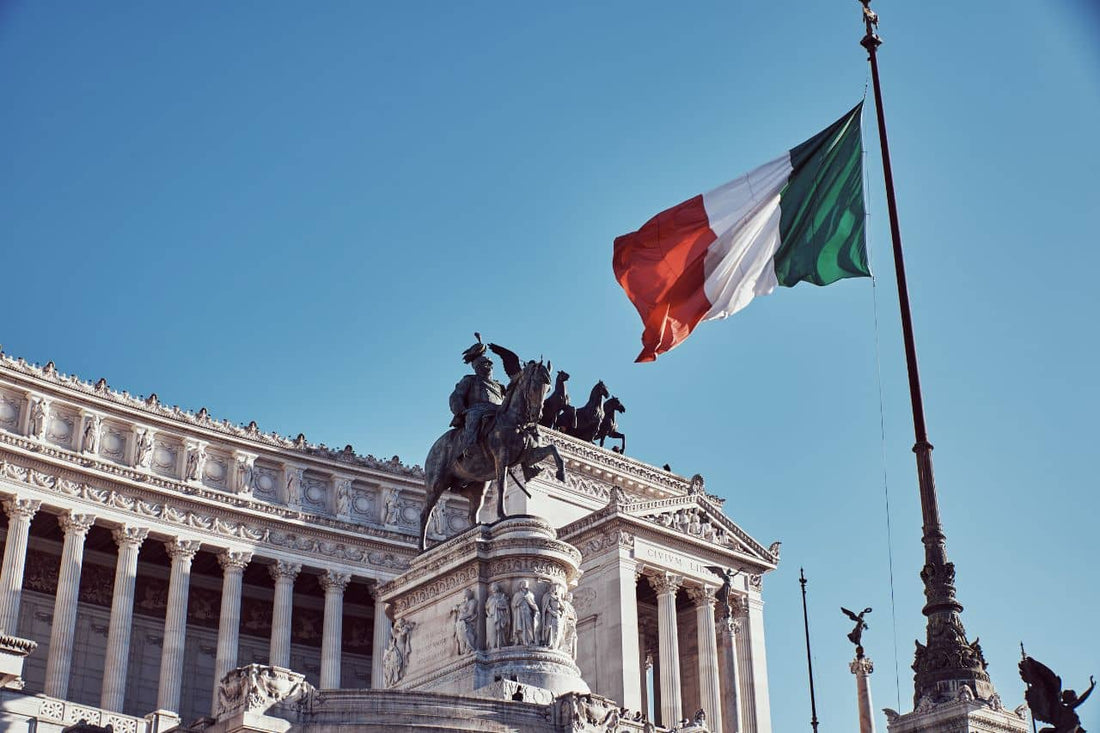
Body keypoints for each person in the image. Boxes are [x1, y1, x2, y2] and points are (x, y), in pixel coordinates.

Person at [449, 336, 506, 461]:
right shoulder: (469, 380)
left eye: (489, 364)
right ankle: (470, 446)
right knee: (474, 415)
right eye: (483, 364)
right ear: (477, 367)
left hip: (497, 411)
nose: (488, 366)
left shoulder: (500, 385)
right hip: (477, 409)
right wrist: (461, 410)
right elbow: (456, 396)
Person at [511, 580, 539, 646]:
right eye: (523, 584)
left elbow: (533, 604)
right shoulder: (517, 595)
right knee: (520, 627)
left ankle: (529, 640)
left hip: (527, 612)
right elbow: (513, 605)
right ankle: (520, 641)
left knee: (528, 626)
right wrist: (518, 602)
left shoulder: (530, 595)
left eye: (526, 584)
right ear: (521, 585)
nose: (525, 585)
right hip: (519, 613)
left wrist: (536, 609)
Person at [485, 582, 510, 650]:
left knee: (500, 630)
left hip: (500, 616)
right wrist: (489, 614)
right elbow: (486, 608)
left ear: (497, 588)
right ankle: (493, 645)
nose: (493, 589)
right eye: (492, 587)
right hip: (492, 617)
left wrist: (500, 606)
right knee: (492, 632)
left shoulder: (502, 596)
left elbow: (506, 607)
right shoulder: (490, 598)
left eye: (494, 587)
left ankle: (501, 644)